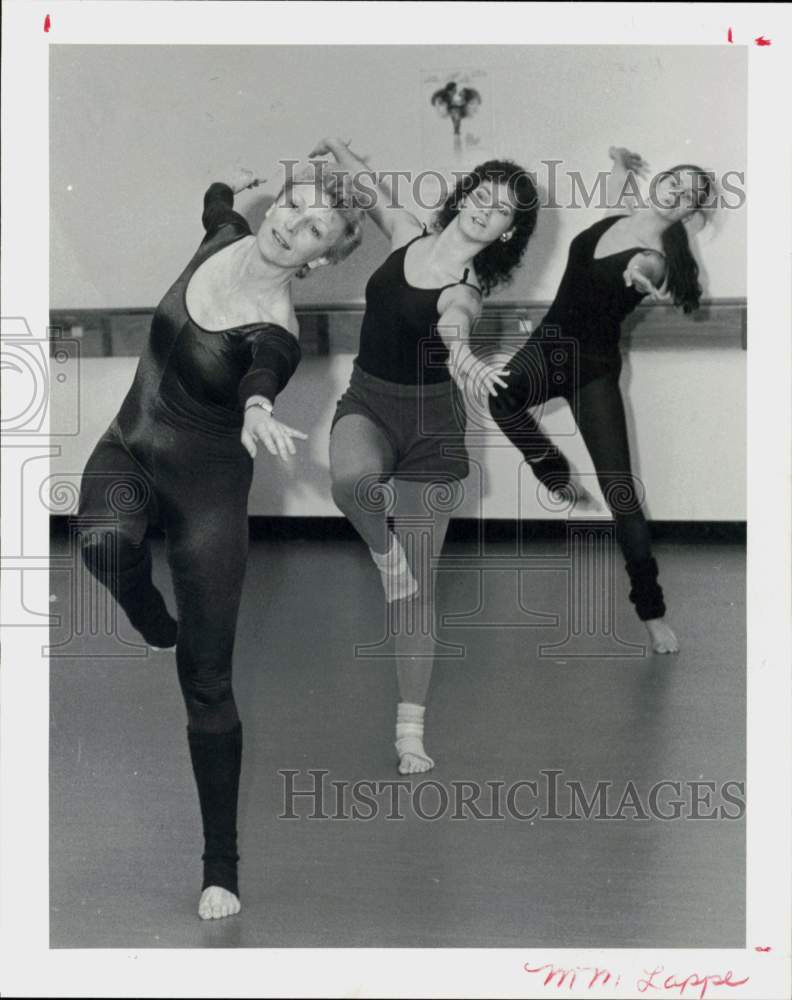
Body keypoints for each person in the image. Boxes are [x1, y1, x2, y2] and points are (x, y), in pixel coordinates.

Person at [76, 163, 363, 919]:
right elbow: (216, 203)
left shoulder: (276, 329)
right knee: (104, 544)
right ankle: (151, 620)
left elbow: (261, 374)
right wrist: (227, 183)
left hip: (206, 490)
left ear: (321, 259)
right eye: (294, 207)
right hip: (131, 444)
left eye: (313, 229)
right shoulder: (226, 235)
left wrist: (261, 405)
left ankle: (220, 864)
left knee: (208, 682)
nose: (292, 224)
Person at [311, 137, 538, 774]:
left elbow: (454, 322)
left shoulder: (467, 287)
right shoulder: (410, 234)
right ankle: (384, 557)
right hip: (371, 402)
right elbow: (377, 196)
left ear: (505, 233)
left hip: (433, 428)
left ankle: (410, 729)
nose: (483, 211)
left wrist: (464, 356)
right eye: (481, 196)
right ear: (465, 195)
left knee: (417, 593)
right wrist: (341, 155)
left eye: (499, 212)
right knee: (351, 480)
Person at [489, 146, 716, 654]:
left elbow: (646, 267)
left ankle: (653, 613)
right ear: (661, 184)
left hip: (592, 370)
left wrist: (643, 272)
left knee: (621, 495)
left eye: (688, 198)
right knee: (500, 397)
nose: (676, 196)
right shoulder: (621, 217)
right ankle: (554, 472)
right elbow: (611, 211)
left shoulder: (656, 252)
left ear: (689, 215)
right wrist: (619, 167)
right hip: (548, 348)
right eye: (674, 184)